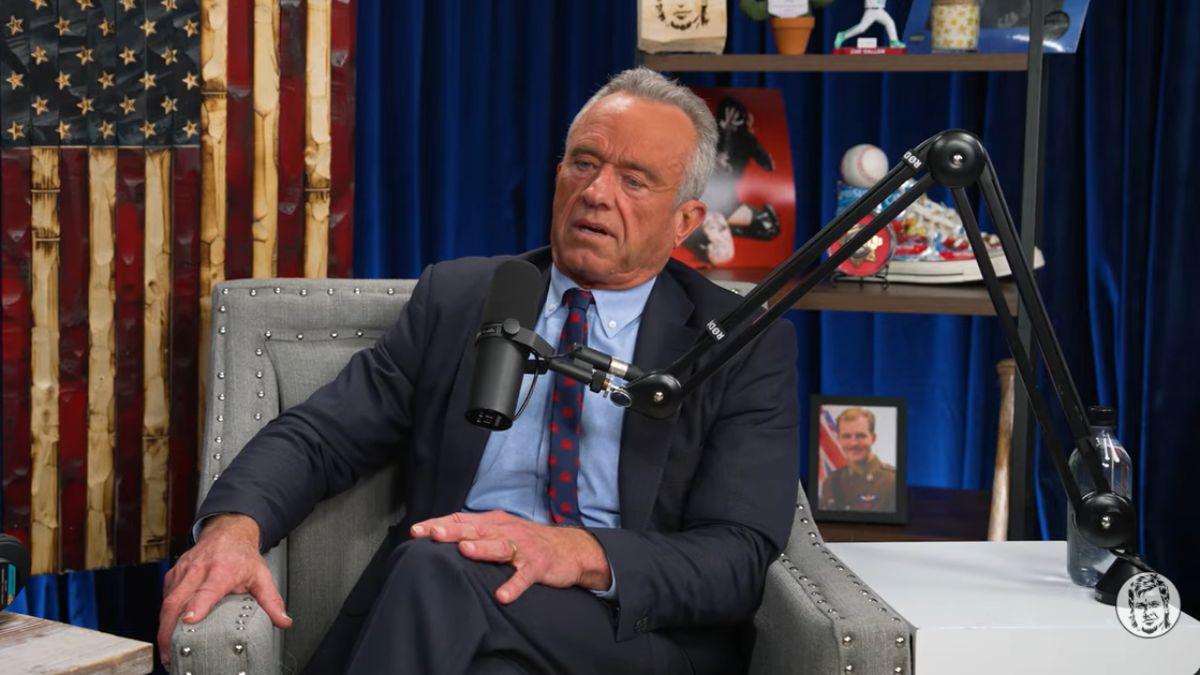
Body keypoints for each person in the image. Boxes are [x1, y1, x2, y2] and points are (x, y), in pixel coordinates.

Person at [157, 67, 800, 674]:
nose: (597, 193)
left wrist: (577, 553)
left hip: (627, 631)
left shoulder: (737, 344)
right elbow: (321, 437)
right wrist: (234, 529)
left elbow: (737, 556)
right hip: (452, 612)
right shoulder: (462, 299)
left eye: (634, 181)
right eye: (584, 163)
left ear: (686, 221)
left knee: (433, 569)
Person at [819, 407, 896, 512]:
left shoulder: (892, 481)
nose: (853, 443)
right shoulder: (830, 482)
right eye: (846, 436)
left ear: (873, 438)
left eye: (860, 436)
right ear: (839, 439)